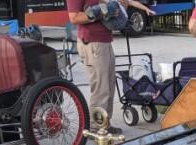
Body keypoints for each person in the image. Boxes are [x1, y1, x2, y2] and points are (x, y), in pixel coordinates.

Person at [66, 0, 154, 133]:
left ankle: (104, 124)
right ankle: (97, 129)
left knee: (109, 86)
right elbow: (74, 17)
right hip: (93, 43)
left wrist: (118, 9)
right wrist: (103, 11)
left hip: (104, 42)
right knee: (101, 89)